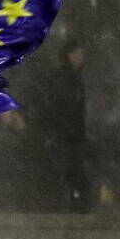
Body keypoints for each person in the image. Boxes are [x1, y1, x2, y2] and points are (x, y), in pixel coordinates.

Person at [32, 38, 92, 213]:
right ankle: (72, 207)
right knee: (68, 172)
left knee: (72, 173)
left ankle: (74, 206)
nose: (82, 57)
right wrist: (63, 130)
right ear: (70, 56)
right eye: (79, 54)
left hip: (70, 134)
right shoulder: (63, 79)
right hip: (63, 135)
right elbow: (60, 108)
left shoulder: (75, 79)